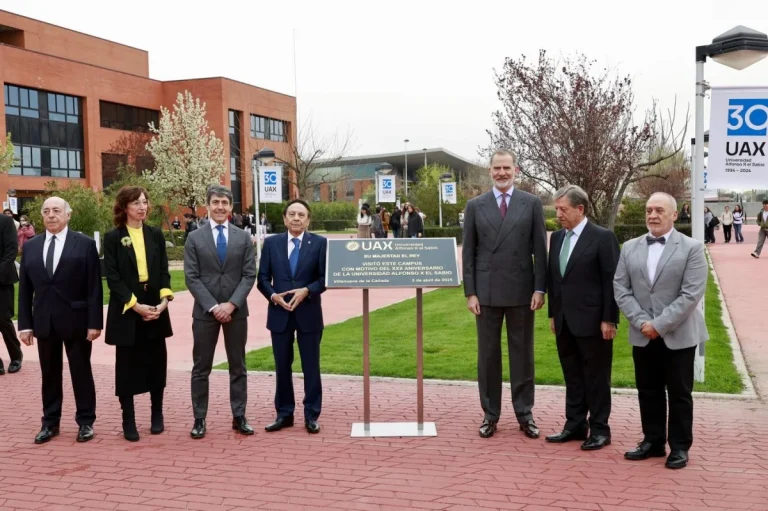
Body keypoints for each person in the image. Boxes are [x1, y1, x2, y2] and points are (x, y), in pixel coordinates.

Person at [613, 192, 708, 470]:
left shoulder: (692, 248)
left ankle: (679, 447)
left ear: (674, 215)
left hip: (679, 335)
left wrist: (659, 325)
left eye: (659, 210)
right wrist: (643, 322)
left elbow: (691, 295)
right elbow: (621, 288)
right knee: (648, 390)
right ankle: (653, 441)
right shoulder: (629, 247)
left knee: (679, 393)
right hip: (643, 334)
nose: (652, 215)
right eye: (648, 210)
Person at [462, 149, 547, 439]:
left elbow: (540, 250)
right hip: (485, 294)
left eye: (506, 168)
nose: (501, 173)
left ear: (516, 170)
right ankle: (490, 415)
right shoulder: (475, 205)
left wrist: (539, 287)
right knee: (488, 357)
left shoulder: (532, 203)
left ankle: (525, 414)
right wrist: (470, 292)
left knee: (522, 356)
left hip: (522, 292)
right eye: (496, 168)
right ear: (490, 171)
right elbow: (469, 254)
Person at [18, 197, 103, 444]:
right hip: (44, 321)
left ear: (68, 215)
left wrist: (94, 322)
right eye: (46, 211)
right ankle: (50, 423)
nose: (51, 215)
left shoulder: (84, 244)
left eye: (56, 210)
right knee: (49, 374)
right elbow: (25, 289)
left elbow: (94, 288)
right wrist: (25, 325)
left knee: (81, 371)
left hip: (76, 320)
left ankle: (86, 421)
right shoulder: (31, 246)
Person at [545, 185, 619, 451]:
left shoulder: (602, 237)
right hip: (564, 321)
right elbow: (555, 280)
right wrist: (553, 314)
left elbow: (612, 282)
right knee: (573, 376)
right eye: (557, 209)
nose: (558, 214)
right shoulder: (556, 238)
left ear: (580, 209)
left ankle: (600, 429)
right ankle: (575, 425)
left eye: (563, 209)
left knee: (596, 378)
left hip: (594, 323)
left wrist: (609, 319)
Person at [184, 186, 257, 439]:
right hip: (205, 313)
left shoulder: (243, 237)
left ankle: (239, 416)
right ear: (208, 205)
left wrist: (232, 304)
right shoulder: (194, 238)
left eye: (225, 203)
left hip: (236, 312)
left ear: (231, 207)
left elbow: (249, 275)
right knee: (201, 368)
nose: (220, 207)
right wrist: (214, 306)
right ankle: (199, 419)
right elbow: (191, 278)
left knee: (238, 366)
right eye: (215, 202)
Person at [104, 187, 174, 442]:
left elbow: (164, 270)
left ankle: (157, 414)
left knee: (157, 362)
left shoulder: (155, 234)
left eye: (145, 202)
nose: (142, 207)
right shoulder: (114, 237)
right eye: (136, 203)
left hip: (155, 306)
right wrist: (134, 305)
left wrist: (164, 301)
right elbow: (112, 277)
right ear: (124, 207)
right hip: (128, 309)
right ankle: (128, 419)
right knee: (127, 367)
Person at [257, 199, 328, 434]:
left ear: (308, 219)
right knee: (282, 367)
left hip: (309, 313)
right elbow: (263, 279)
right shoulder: (271, 243)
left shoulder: (320, 243)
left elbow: (325, 278)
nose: (296, 218)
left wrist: (307, 290)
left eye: (301, 215)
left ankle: (311, 415)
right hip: (280, 314)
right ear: (285, 218)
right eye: (292, 214)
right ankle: (284, 414)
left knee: (311, 366)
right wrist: (273, 295)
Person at [0, 211, 21, 376]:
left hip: (3, 279)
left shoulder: (6, 221)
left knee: (3, 320)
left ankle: (16, 356)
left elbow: (11, 250)